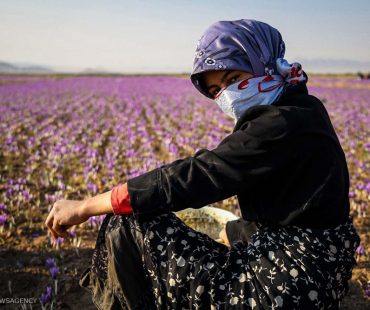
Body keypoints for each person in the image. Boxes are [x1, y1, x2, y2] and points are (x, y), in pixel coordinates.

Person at [45, 19, 360, 309]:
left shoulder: (280, 123)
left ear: (264, 63)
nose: (227, 94)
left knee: (126, 223)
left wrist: (86, 206)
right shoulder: (303, 108)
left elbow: (198, 175)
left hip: (282, 289)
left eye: (233, 78)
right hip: (313, 279)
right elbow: (284, 204)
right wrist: (232, 232)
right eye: (216, 90)